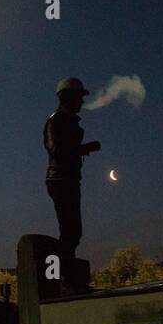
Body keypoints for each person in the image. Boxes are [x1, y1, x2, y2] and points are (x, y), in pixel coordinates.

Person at [44, 77, 101, 290]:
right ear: (68, 98)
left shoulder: (66, 121)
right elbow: (56, 151)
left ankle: (66, 279)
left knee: (72, 230)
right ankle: (65, 281)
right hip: (60, 181)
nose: (82, 102)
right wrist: (84, 149)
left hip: (67, 180)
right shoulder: (55, 121)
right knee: (70, 231)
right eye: (79, 97)